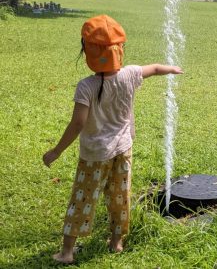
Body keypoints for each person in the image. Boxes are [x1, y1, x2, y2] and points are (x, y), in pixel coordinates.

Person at [42, 15, 183, 264]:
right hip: (123, 149)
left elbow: (78, 123)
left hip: (95, 155)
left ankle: (66, 252)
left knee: (83, 198)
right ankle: (117, 242)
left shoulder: (85, 86)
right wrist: (171, 69)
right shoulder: (129, 75)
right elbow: (153, 69)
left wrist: (56, 151)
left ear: (88, 51)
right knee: (120, 195)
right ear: (120, 49)